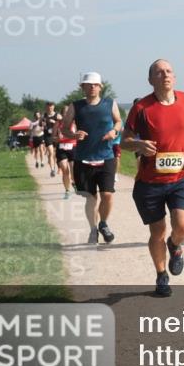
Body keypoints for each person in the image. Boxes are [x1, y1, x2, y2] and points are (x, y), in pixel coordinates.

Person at [121, 59, 184, 297]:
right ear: (150, 80)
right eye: (159, 72)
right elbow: (124, 141)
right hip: (149, 183)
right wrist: (136, 143)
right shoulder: (142, 108)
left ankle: (175, 246)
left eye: (168, 71)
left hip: (181, 179)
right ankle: (161, 276)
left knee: (183, 226)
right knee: (157, 231)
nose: (165, 75)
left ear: (174, 77)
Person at [62, 73, 122, 244]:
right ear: (83, 87)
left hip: (106, 156)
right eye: (88, 85)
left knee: (108, 194)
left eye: (95, 84)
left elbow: (118, 121)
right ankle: (93, 229)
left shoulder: (110, 104)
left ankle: (103, 223)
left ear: (100, 86)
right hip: (84, 158)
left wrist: (114, 131)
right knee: (91, 197)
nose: (92, 87)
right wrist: (74, 134)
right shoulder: (75, 106)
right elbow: (64, 129)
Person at [55, 125, 77, 201]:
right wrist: (58, 138)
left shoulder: (75, 124)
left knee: (73, 170)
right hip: (61, 149)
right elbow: (52, 138)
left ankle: (74, 182)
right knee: (65, 170)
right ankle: (67, 191)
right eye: (64, 114)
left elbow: (79, 135)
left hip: (73, 148)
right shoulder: (57, 124)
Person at [41, 102, 60, 177]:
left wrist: (55, 122)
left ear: (54, 107)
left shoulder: (57, 115)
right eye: (48, 107)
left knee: (55, 154)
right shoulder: (44, 115)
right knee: (51, 152)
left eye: (51, 106)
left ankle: (57, 167)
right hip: (48, 136)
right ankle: (52, 170)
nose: (49, 108)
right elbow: (40, 124)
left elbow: (63, 124)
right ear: (46, 107)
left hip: (56, 135)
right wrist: (42, 125)